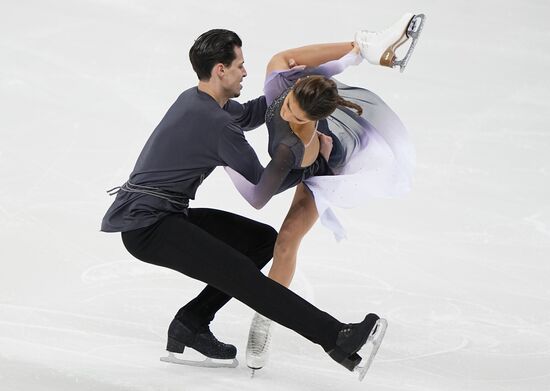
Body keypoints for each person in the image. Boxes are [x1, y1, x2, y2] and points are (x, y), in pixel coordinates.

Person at [101, 28, 386, 376]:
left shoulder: (198, 100)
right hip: (148, 227)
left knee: (259, 241)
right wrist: (312, 165)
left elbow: (253, 113)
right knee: (245, 280)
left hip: (162, 214)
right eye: (240, 65)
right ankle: (336, 337)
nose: (246, 72)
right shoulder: (218, 125)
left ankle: (190, 324)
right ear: (220, 69)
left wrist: (297, 86)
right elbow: (260, 192)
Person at [221, 13, 425, 373]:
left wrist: (221, 155)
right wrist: (356, 50)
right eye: (287, 102)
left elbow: (259, 195)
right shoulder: (282, 77)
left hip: (324, 168)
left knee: (285, 241)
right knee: (305, 57)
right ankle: (367, 44)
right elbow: (295, 65)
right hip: (313, 120)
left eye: (295, 115)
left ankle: (263, 319)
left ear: (309, 122)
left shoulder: (302, 146)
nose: (284, 111)